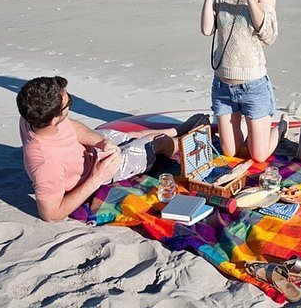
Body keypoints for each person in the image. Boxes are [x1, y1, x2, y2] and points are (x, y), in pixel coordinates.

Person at [16, 76, 208, 222]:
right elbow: (50, 214)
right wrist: (97, 178)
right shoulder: (46, 164)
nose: (70, 104)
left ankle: (178, 129)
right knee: (156, 143)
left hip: (92, 150)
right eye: (69, 103)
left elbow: (71, 127)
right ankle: (181, 139)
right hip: (101, 169)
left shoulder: (32, 117)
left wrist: (101, 142)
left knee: (134, 137)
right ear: (54, 118)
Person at [201, 0, 287, 163]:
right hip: (222, 86)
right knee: (229, 151)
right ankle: (253, 128)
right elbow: (206, 29)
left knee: (257, 155)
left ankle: (281, 126)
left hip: (253, 86)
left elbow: (267, 34)